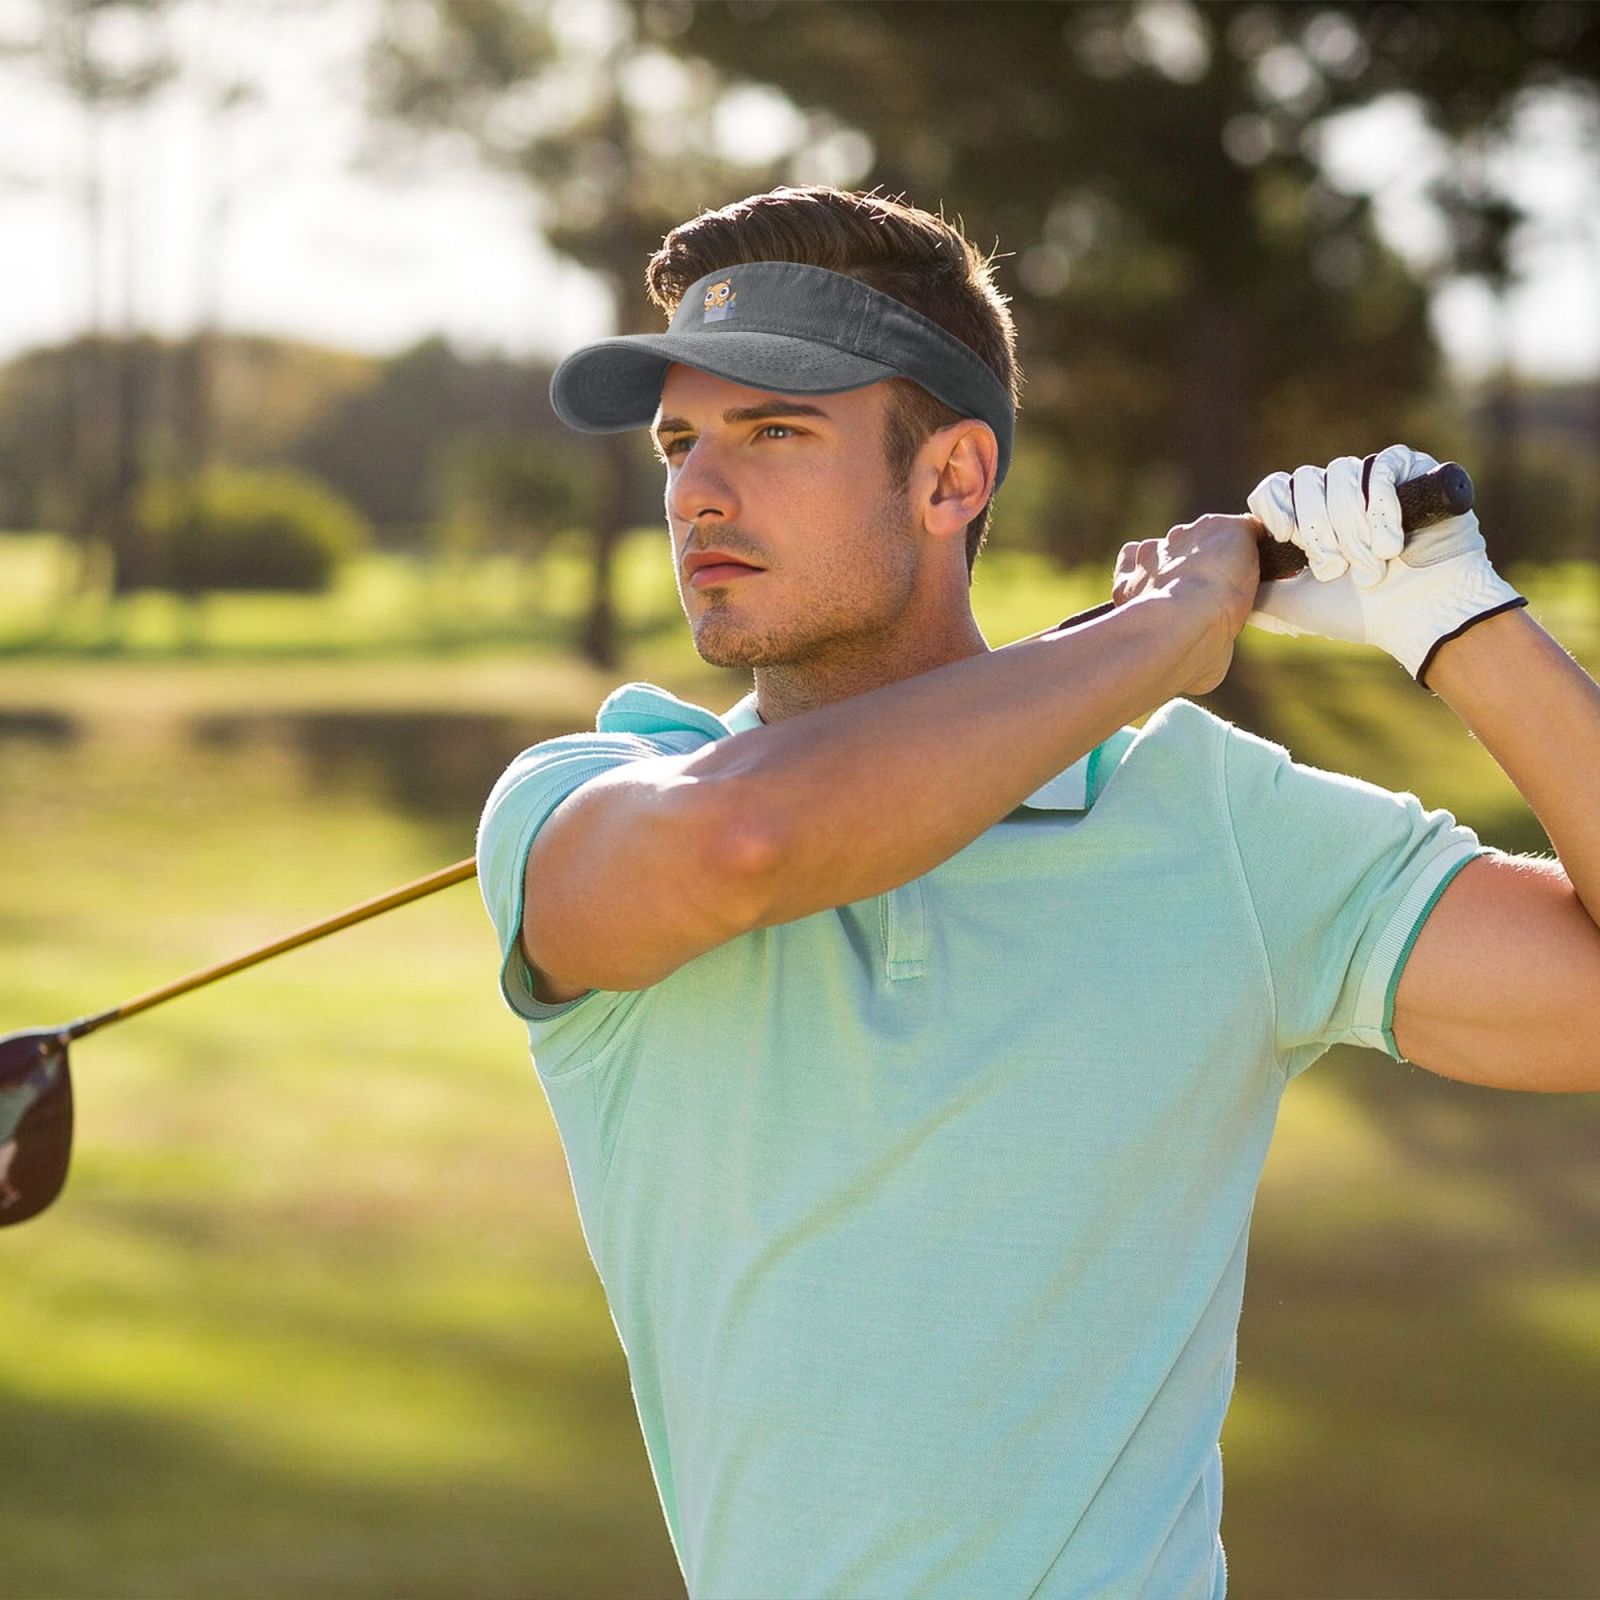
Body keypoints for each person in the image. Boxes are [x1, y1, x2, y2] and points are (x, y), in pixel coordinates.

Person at [476, 184, 1600, 1598]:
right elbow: (744, 846)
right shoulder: (588, 795)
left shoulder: (1213, 823)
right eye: (682, 441)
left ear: (951, 480)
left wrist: (1459, 625)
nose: (700, 488)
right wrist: (1165, 637)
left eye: (774, 432)